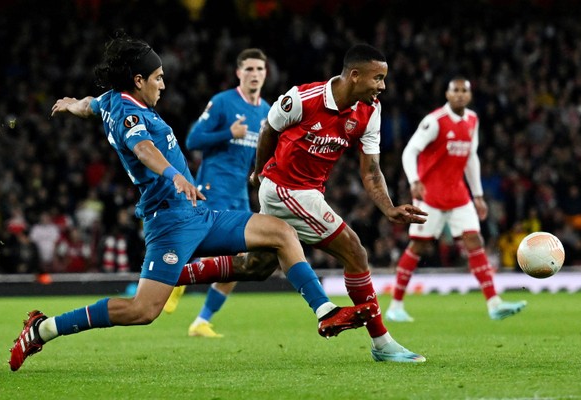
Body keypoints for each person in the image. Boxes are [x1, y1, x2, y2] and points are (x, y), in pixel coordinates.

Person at [8, 33, 379, 372]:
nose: (163, 84)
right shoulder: (127, 112)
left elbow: (91, 104)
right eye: (158, 77)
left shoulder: (109, 100)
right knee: (142, 310)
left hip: (198, 213)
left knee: (279, 232)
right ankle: (43, 329)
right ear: (138, 81)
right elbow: (144, 148)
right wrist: (177, 176)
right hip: (169, 223)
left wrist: (73, 104)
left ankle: (325, 312)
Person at [249, 43, 429, 363]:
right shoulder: (303, 99)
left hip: (309, 192)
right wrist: (259, 173)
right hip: (284, 188)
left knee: (257, 266)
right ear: (355, 75)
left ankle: (175, 275)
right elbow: (269, 130)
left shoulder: (370, 111)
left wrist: (389, 208)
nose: (383, 86)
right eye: (378, 78)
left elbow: (371, 170)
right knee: (355, 251)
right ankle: (382, 342)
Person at [385, 77, 528, 323]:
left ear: (470, 96)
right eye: (456, 91)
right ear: (447, 94)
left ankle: (494, 303)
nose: (460, 94)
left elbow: (471, 158)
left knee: (474, 240)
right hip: (430, 195)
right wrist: (414, 181)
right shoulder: (435, 121)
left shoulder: (472, 120)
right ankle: (395, 305)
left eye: (464, 91)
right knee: (418, 246)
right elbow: (410, 150)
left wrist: (479, 195)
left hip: (459, 195)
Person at [162, 48, 271, 339]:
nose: (254, 74)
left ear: (266, 73)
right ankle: (178, 279)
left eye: (259, 69)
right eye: (248, 69)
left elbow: (259, 154)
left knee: (241, 262)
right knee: (214, 248)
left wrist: (257, 174)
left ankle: (201, 321)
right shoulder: (223, 102)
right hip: (213, 187)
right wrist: (227, 133)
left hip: (239, 193)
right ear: (238, 73)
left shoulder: (267, 111)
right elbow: (193, 138)